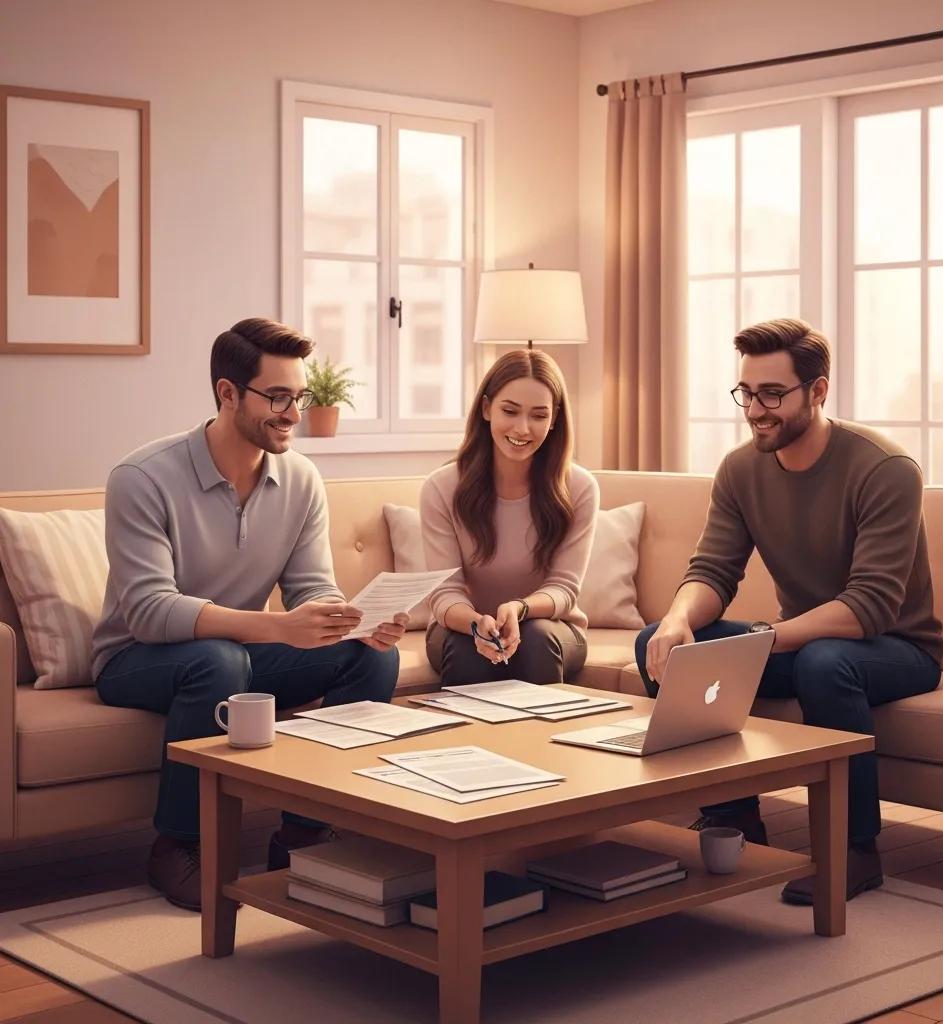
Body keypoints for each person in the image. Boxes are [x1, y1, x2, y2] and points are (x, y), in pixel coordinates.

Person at [92, 318, 407, 911]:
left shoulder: (302, 479)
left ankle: (305, 837)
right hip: (135, 660)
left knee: (369, 661)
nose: (293, 413)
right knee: (218, 661)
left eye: (300, 396)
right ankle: (177, 846)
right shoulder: (141, 478)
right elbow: (148, 611)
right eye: (278, 397)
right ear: (228, 393)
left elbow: (312, 590)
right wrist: (276, 627)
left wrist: (357, 622)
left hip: (236, 654)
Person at [635, 318, 943, 904]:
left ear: (818, 392)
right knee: (662, 643)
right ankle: (735, 821)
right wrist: (678, 619)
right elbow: (713, 572)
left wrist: (765, 637)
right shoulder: (740, 469)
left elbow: (869, 608)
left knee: (825, 664)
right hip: (806, 642)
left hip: (897, 649)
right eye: (746, 393)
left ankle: (855, 850)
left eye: (772, 394)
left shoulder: (885, 469)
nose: (755, 410)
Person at [421, 349, 598, 685]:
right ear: (487, 408)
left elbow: (564, 589)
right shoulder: (441, 488)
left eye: (538, 415)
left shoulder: (580, 487)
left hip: (551, 630)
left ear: (554, 418)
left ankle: (543, 738)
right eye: (510, 411)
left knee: (536, 639)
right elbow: (445, 594)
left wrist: (519, 609)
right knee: (466, 648)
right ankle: (464, 739)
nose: (523, 428)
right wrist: (476, 623)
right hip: (459, 628)